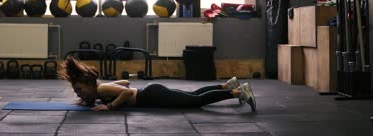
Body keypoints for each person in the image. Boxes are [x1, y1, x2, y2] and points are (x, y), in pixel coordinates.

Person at [62, 55, 256, 112]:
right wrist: (96, 98)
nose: (78, 94)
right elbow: (126, 83)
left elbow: (127, 92)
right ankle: (226, 86)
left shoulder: (102, 89)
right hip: (153, 93)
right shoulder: (101, 89)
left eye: (79, 90)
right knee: (194, 96)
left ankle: (238, 92)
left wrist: (109, 106)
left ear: (88, 83)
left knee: (195, 102)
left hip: (153, 95)